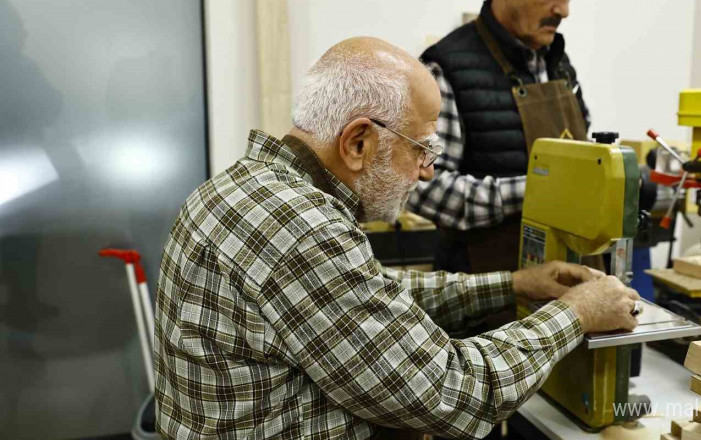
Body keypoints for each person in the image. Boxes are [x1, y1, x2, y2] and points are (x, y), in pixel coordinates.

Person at [153, 37, 638, 439]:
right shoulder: (301, 228)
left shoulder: (249, 186)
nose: (427, 175)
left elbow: (373, 301)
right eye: (422, 150)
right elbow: (453, 392)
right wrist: (576, 313)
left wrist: (515, 284)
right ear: (359, 142)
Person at [409, 0, 591, 273]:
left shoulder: (558, 62)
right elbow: (423, 189)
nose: (563, 11)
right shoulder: (448, 66)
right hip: (487, 288)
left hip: (565, 276)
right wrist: (537, 190)